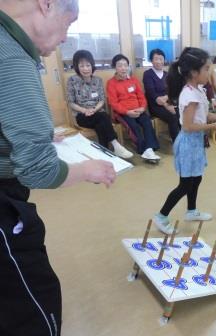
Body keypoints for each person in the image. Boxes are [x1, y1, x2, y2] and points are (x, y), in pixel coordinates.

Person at [0, 1, 116, 335]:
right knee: (33, 308)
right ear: (46, 4)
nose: (66, 37)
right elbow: (36, 169)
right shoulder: (12, 57)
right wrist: (87, 169)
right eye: (68, 23)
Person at [152, 48, 216, 234]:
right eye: (207, 68)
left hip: (195, 142)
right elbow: (187, 126)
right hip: (188, 143)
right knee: (185, 184)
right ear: (194, 72)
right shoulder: (191, 95)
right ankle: (161, 216)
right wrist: (213, 128)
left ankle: (191, 211)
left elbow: (201, 117)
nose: (209, 72)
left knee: (197, 177)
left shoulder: (198, 90)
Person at [67, 50, 133, 158]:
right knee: (103, 117)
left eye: (88, 65)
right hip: (82, 116)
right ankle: (116, 145)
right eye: (82, 66)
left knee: (100, 124)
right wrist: (85, 111)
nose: (85, 69)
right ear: (77, 66)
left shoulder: (98, 80)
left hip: (97, 112)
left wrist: (94, 109)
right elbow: (71, 102)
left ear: (92, 65)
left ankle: (105, 152)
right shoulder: (72, 80)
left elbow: (102, 100)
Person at [107, 54, 160, 161]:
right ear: (115, 67)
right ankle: (143, 149)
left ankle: (149, 149)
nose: (123, 68)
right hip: (122, 113)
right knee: (133, 126)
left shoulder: (133, 80)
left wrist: (142, 108)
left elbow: (141, 96)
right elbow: (114, 103)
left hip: (138, 110)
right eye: (120, 66)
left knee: (146, 122)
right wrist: (127, 112)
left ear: (128, 67)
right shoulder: (111, 83)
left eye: (125, 65)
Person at [143, 48, 180, 142]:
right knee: (173, 116)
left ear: (164, 60)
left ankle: (184, 139)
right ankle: (176, 142)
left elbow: (172, 91)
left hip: (169, 103)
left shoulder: (167, 74)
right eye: (156, 59)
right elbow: (155, 97)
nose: (159, 62)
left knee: (182, 112)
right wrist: (167, 106)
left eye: (161, 59)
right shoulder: (147, 74)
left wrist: (168, 100)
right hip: (155, 106)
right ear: (151, 60)